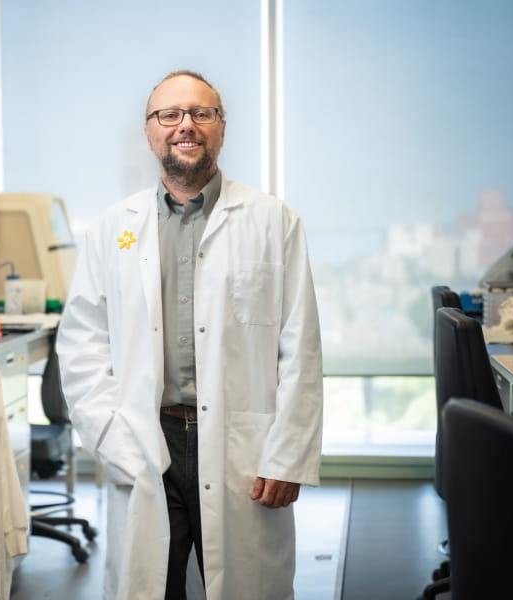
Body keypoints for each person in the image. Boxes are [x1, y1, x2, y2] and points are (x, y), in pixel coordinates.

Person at [56, 69, 323, 600]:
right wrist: (108, 435)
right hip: (146, 436)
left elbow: (301, 346)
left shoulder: (273, 221)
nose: (186, 125)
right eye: (170, 114)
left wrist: (288, 453)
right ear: (150, 131)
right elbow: (82, 344)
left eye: (201, 113)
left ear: (221, 128)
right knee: (151, 586)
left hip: (242, 446)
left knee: (249, 588)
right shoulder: (113, 228)